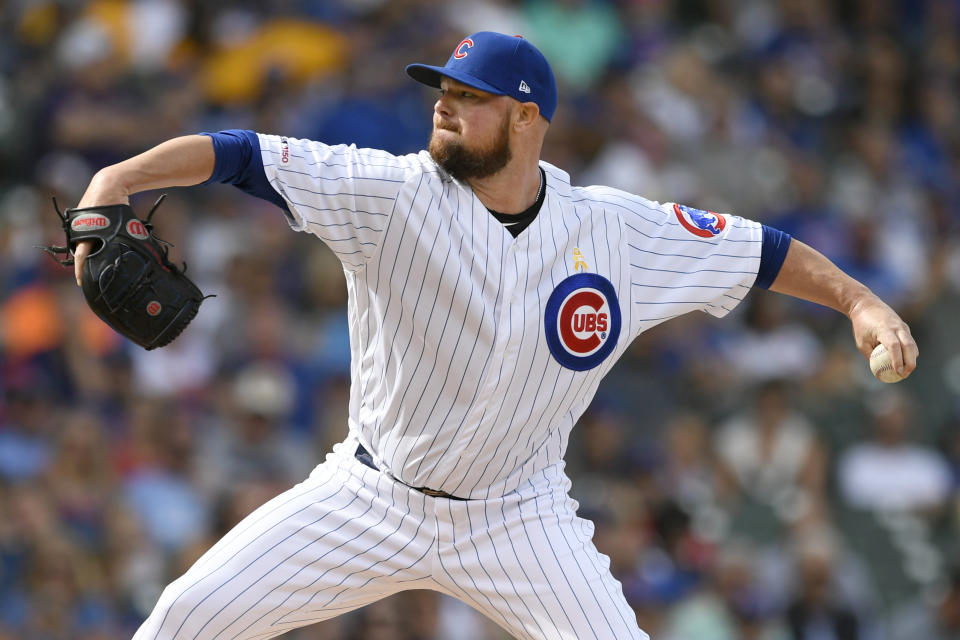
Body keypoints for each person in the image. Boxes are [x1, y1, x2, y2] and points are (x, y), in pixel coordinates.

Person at [70, 31, 917, 640]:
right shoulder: (390, 195)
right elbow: (237, 154)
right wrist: (119, 177)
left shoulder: (618, 232)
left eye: (468, 96)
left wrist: (860, 305)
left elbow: (760, 251)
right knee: (185, 619)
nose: (443, 104)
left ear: (525, 119)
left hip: (519, 519)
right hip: (369, 500)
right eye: (442, 89)